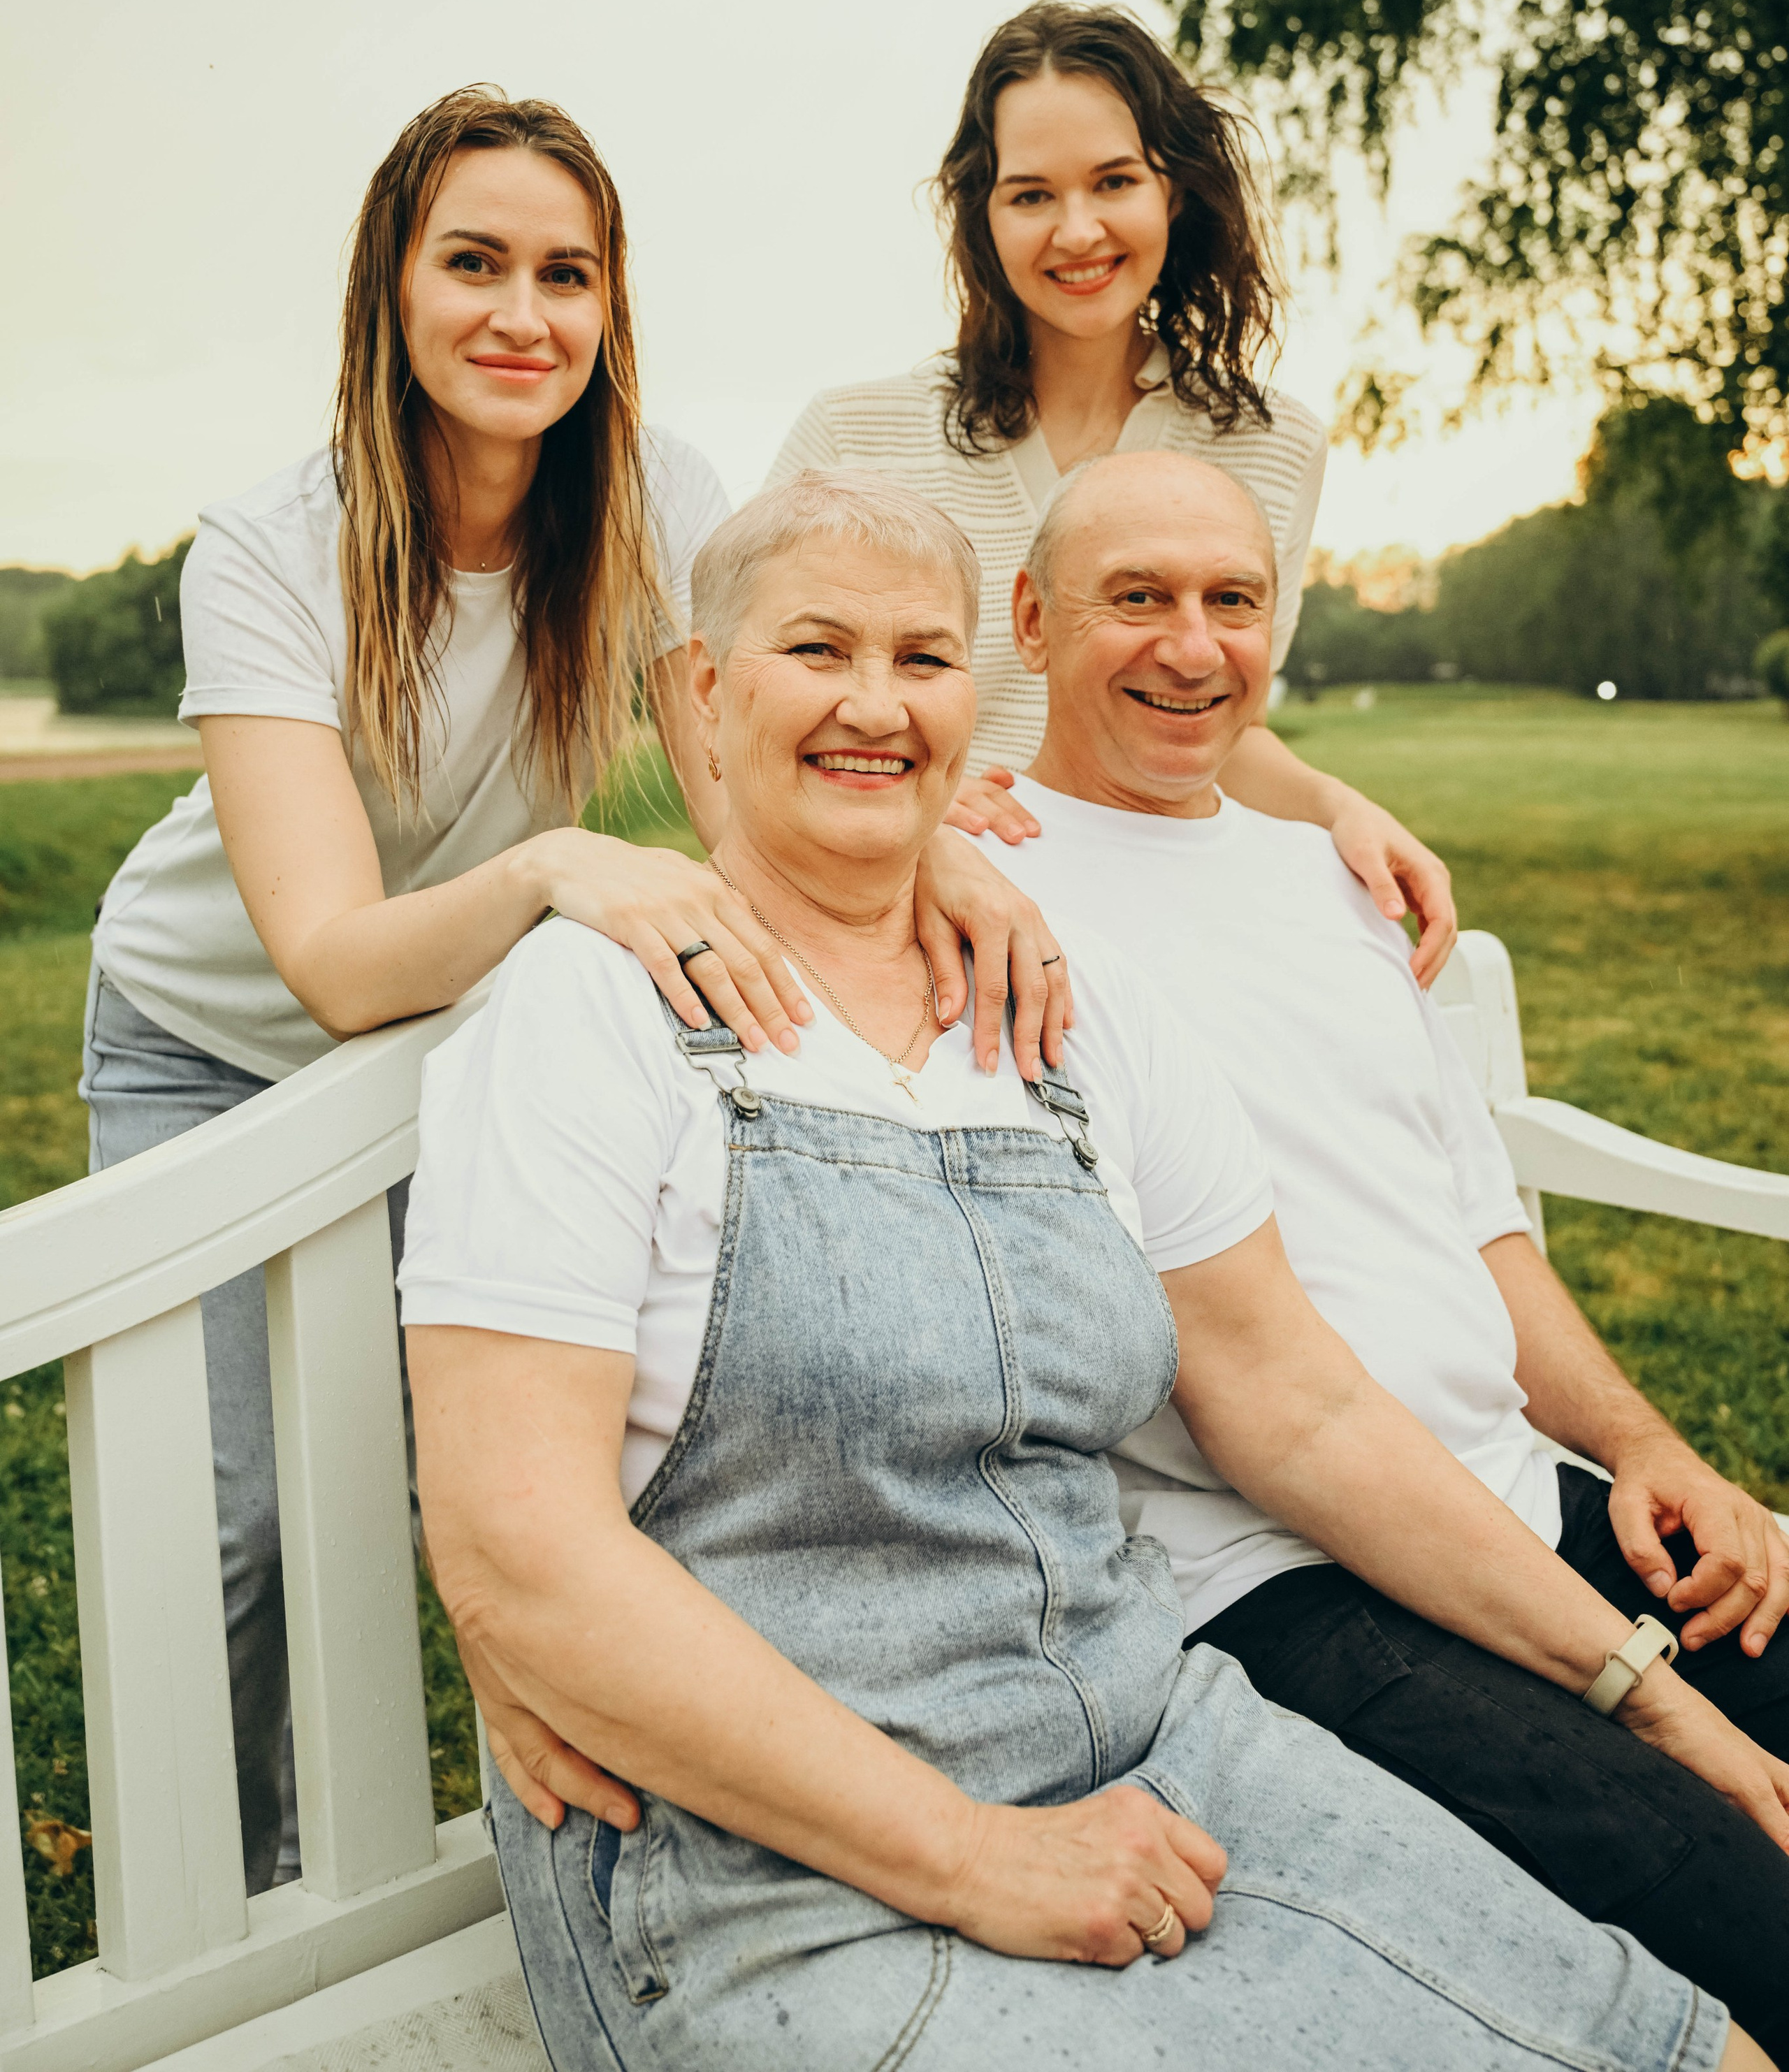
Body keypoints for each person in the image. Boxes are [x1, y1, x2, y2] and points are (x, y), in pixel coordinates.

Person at [402, 470, 1771, 2072]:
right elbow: (520, 1547)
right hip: (760, 1854)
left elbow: (1299, 1405)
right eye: (815, 652)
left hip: (1153, 1746)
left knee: (1681, 2048)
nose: (873, 705)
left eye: (918, 660)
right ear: (705, 694)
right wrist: (974, 1857)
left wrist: (1652, 1695)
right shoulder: (590, 1017)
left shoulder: (1070, 1006)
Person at [82, 91, 1062, 1896]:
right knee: (241, 1518)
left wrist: (941, 855)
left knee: (499, 1457)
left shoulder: (660, 501)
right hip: (211, 1038)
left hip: (459, 1034)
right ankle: (239, 1888)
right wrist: (550, 871)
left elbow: (762, 763)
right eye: (474, 264)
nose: (520, 316)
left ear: (611, 305)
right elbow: (328, 963)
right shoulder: (269, 547)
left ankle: (535, 1834)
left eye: (566, 273)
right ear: (392, 283)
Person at [971, 444, 1789, 2054]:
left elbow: (1473, 1222)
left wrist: (1637, 1445)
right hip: (1284, 1581)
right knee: (1742, 1900)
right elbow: (1263, 1417)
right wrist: (1649, 1693)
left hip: (1527, 1502)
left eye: (1230, 601)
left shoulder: (1330, 880)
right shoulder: (986, 900)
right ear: (1031, 620)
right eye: (1133, 599)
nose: (1189, 647)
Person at [767, 0, 1460, 985]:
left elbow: (1223, 724)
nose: (1078, 230)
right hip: (902, 923)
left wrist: (1339, 808)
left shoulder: (1273, 444)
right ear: (983, 212)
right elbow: (756, 708)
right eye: (1031, 194)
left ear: (1172, 193)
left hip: (1151, 936)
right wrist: (914, 801)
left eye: (1115, 182)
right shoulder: (853, 434)